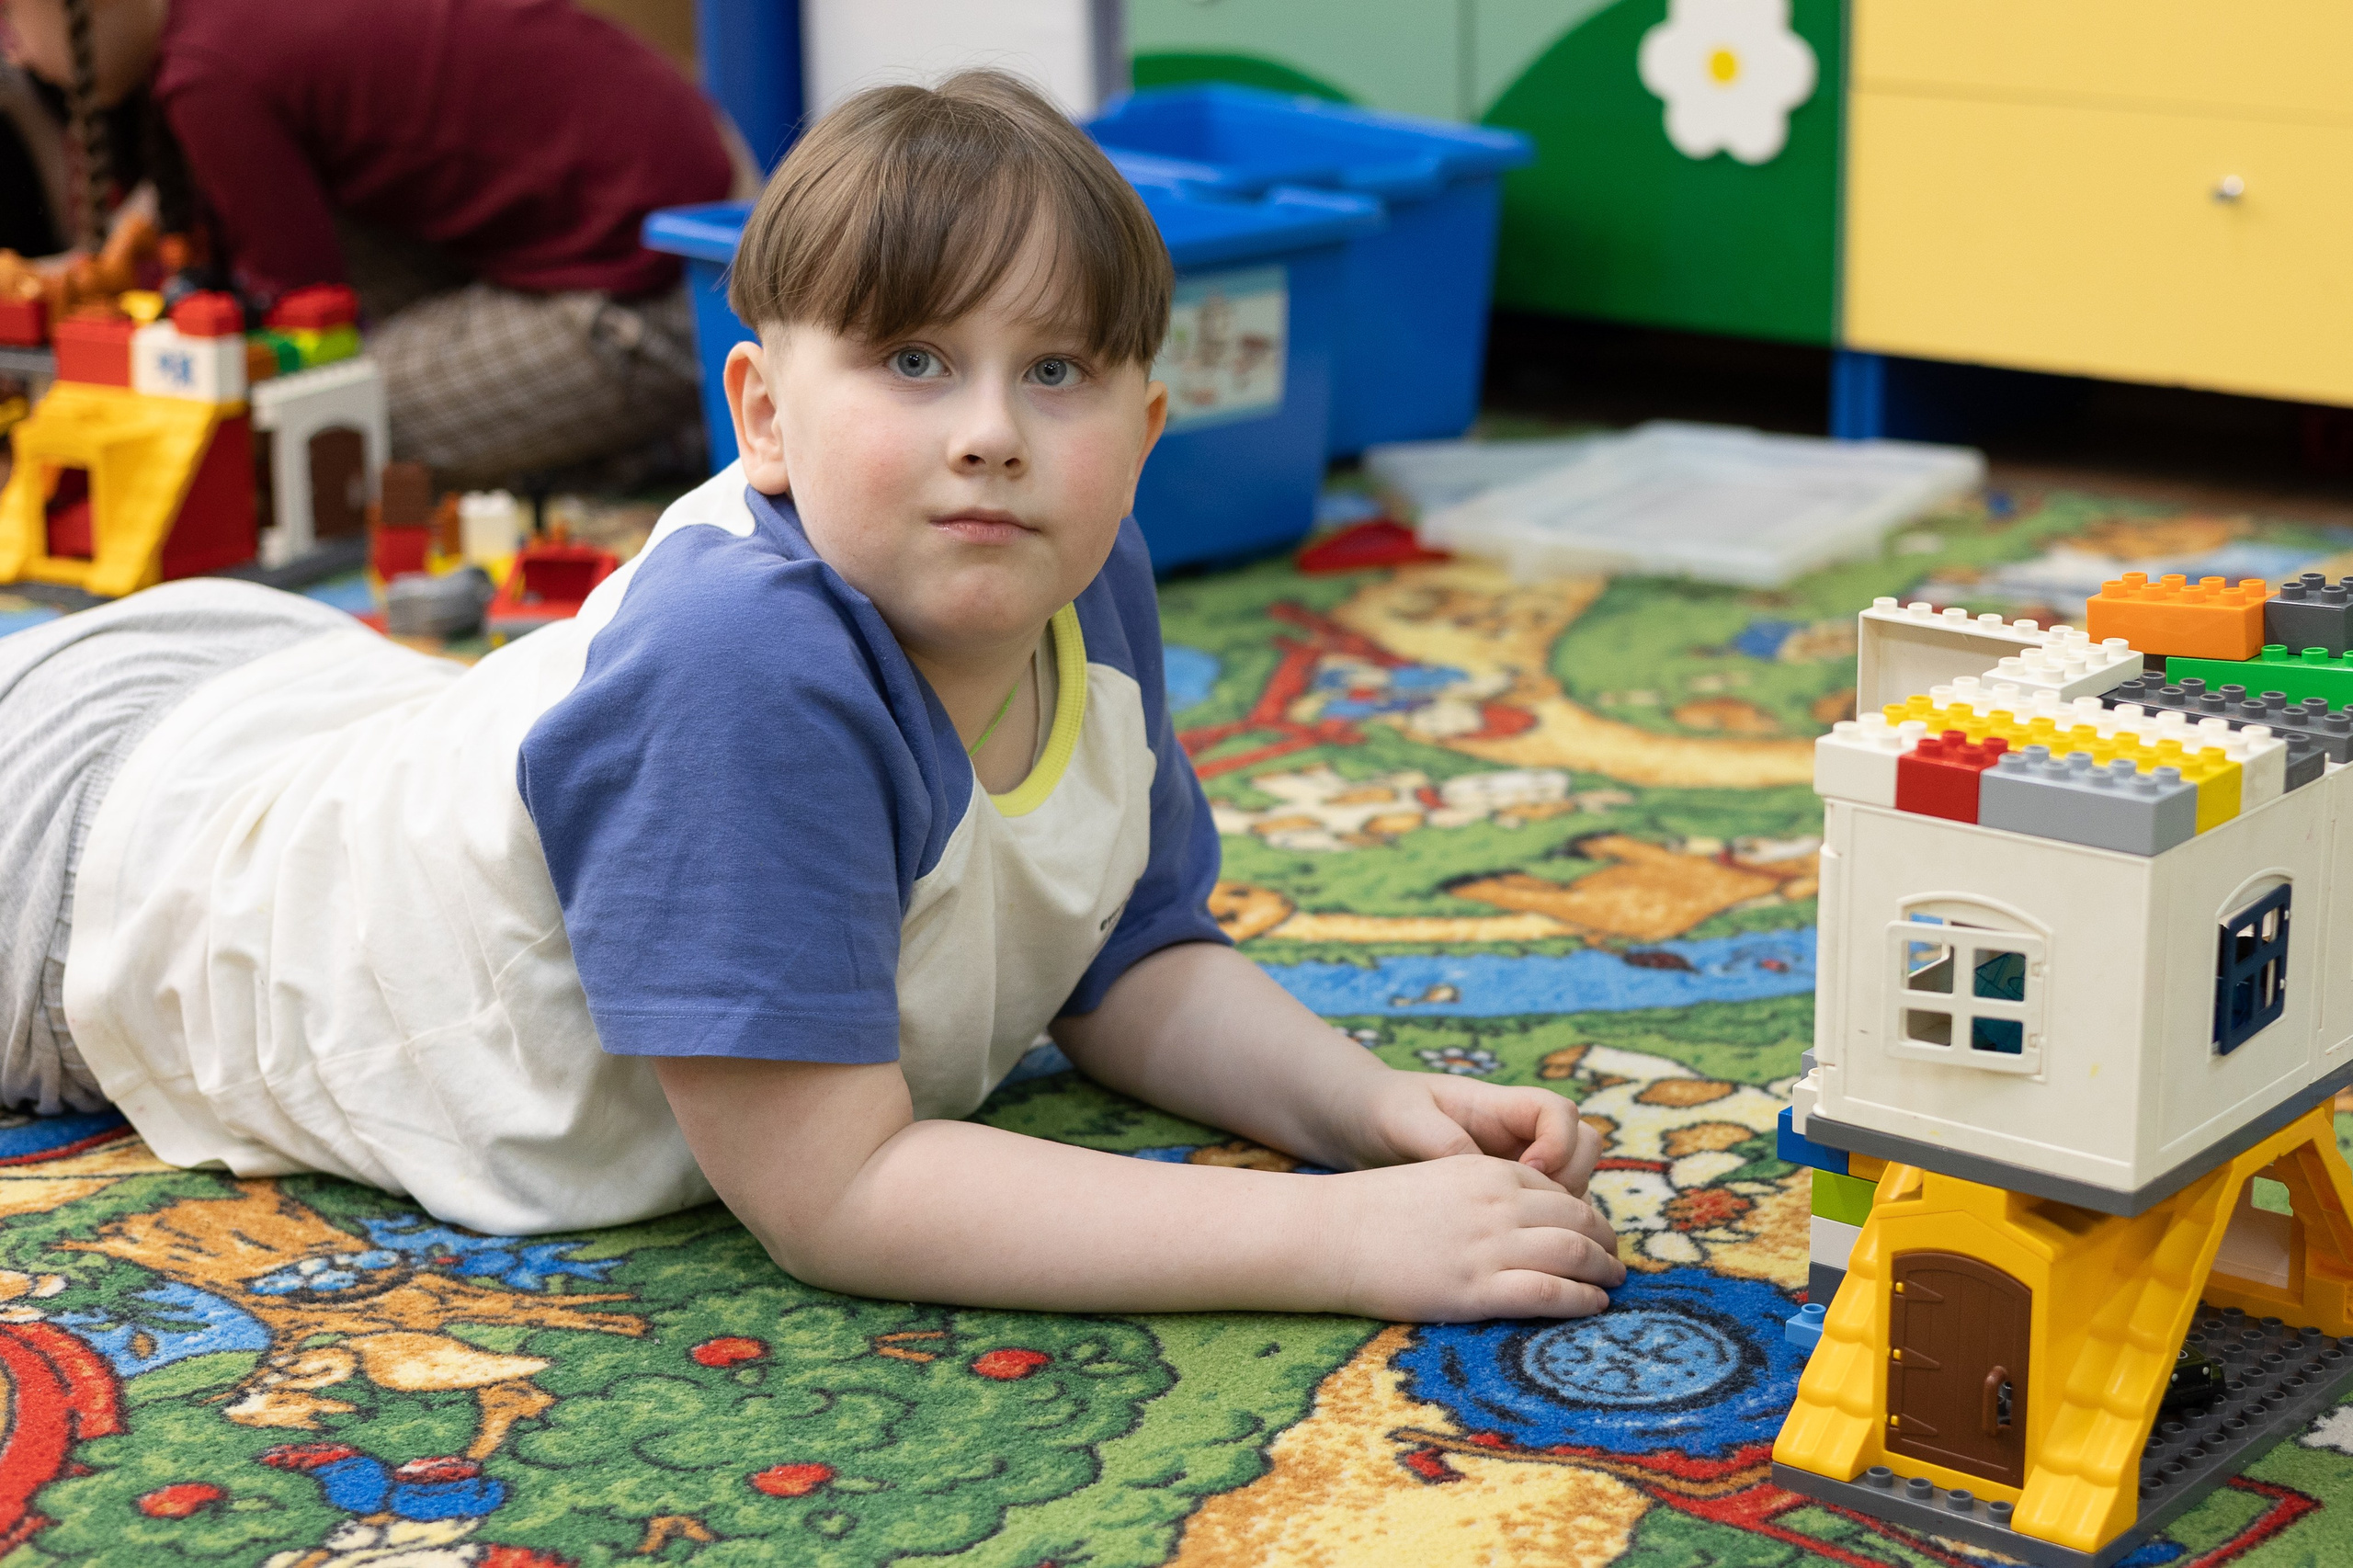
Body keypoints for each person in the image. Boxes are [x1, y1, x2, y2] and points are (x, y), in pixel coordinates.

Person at [0, 73, 1625, 1324]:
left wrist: (1372, 1111)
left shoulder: (1077, 568)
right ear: (763, 418)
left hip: (310, 703)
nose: (991, 431)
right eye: (915, 361)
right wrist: (1336, 1237)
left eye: (1055, 373)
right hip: (88, 865)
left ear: (1144, 433)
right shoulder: (745, 662)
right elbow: (834, 1192)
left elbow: (1127, 956)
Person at [0, 0, 748, 488]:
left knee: (330, 426)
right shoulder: (219, 32)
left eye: (12, 18)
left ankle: (651, 444)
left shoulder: (208, 73)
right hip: (687, 179)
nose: (21, 54)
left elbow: (301, 338)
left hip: (671, 293)